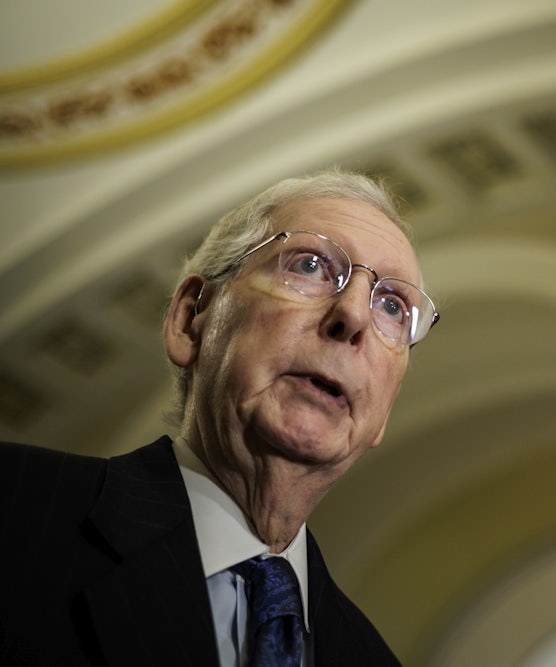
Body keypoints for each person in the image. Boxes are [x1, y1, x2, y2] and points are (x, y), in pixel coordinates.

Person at [0, 168, 439, 666]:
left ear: (382, 414)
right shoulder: (14, 509)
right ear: (190, 320)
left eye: (393, 307)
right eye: (311, 265)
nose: (355, 315)